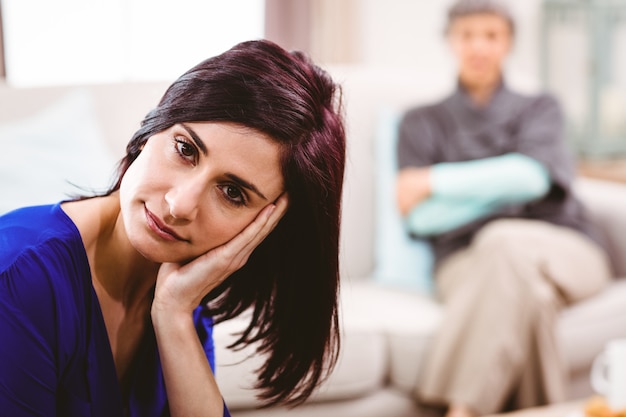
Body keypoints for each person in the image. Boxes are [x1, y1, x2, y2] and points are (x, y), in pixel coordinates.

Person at [0, 39, 346, 417]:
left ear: (264, 227)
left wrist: (174, 314)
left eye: (232, 193)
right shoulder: (21, 274)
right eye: (185, 149)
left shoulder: (181, 289)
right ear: (154, 126)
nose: (179, 205)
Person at [395, 1, 611, 417]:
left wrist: (434, 181)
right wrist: (509, 182)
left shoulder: (540, 108)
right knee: (530, 292)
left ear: (508, 42)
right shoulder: (419, 122)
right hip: (463, 263)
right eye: (468, 35)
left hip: (567, 249)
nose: (479, 46)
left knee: (502, 238)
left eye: (491, 35)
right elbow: (419, 216)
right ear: (450, 41)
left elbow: (533, 179)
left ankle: (462, 410)